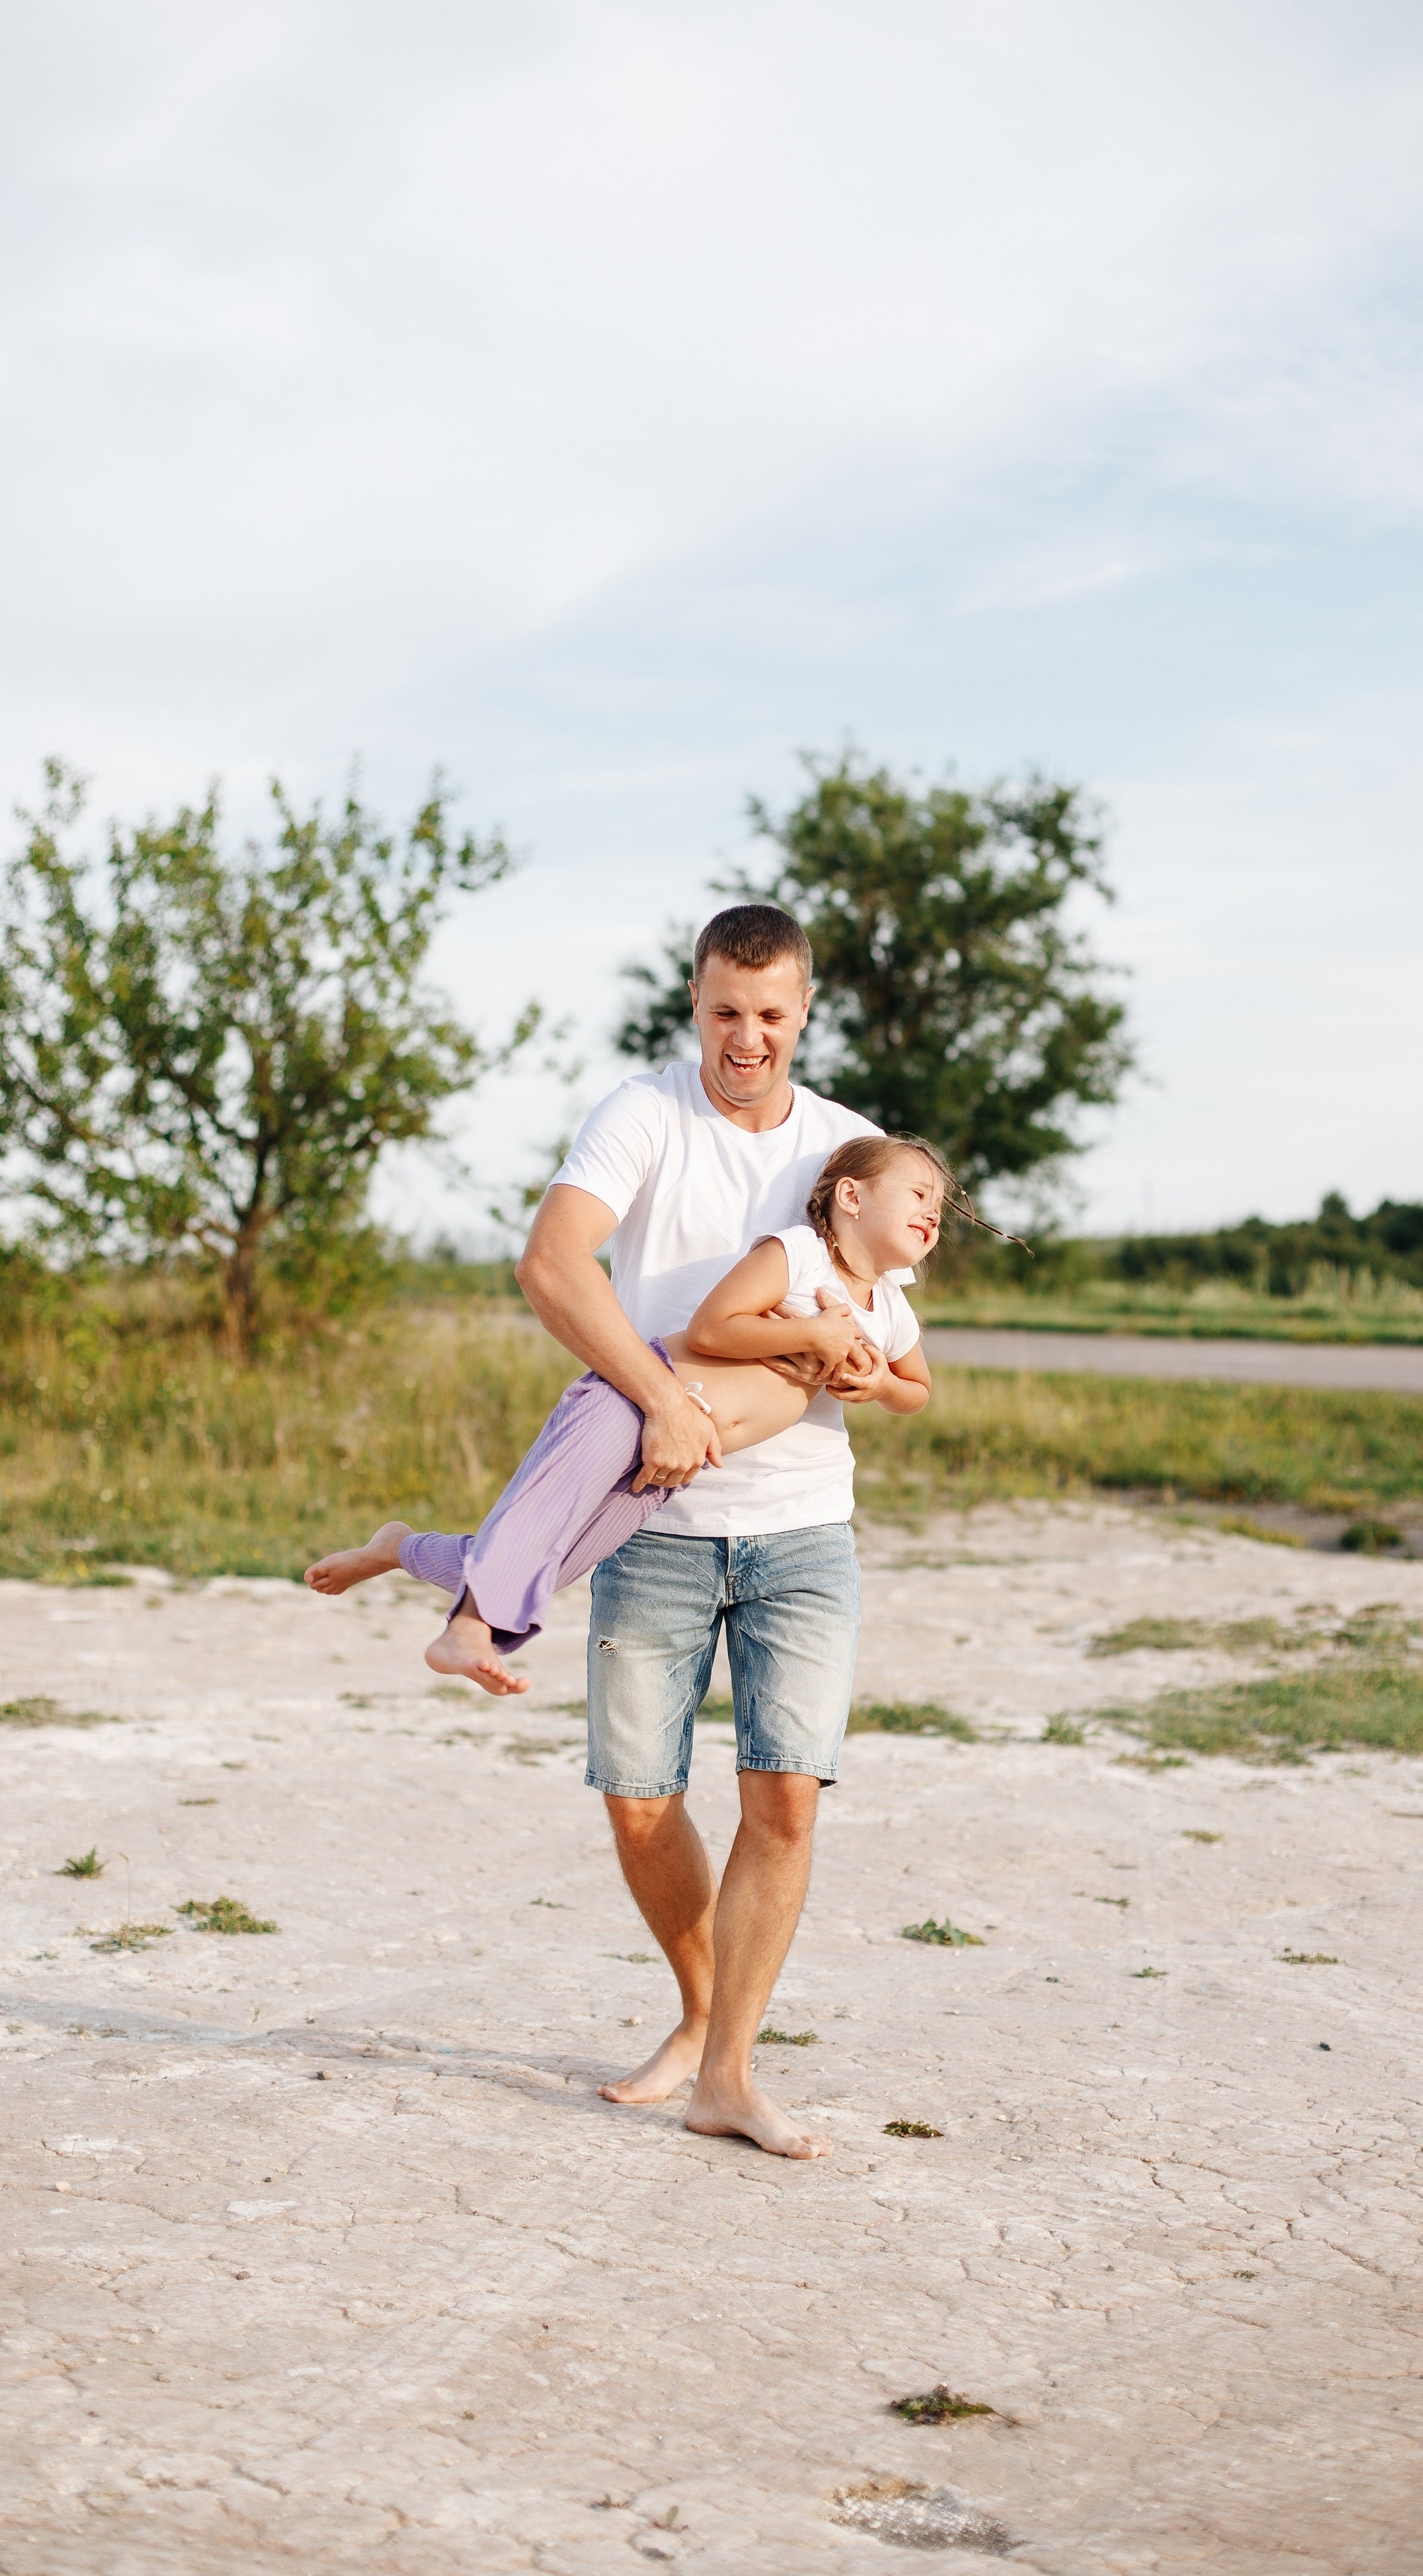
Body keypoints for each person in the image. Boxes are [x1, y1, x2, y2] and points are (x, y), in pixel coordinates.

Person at [317, 904, 914, 2159]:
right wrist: (660, 1403)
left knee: (786, 1801)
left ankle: (734, 2072)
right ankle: (702, 2021)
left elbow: (896, 1341)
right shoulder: (643, 1114)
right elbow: (552, 1265)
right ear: (693, 1004)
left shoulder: (851, 1146)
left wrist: (859, 1371)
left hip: (802, 1524)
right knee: (642, 1803)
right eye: (722, 1013)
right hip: (656, 1515)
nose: (745, 1038)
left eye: (770, 1015)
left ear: (803, 1012)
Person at [304, 1129, 939, 1679]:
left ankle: (396, 1548)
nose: (934, 1214)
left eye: (939, 1207)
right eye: (920, 1196)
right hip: (637, 1399)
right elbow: (716, 1327)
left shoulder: (891, 1310)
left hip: (680, 1462)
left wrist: (880, 1386)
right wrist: (810, 1333)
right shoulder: (797, 1254)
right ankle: (468, 1632)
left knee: (551, 1564)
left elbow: (917, 1391)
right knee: (531, 1527)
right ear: (851, 1197)